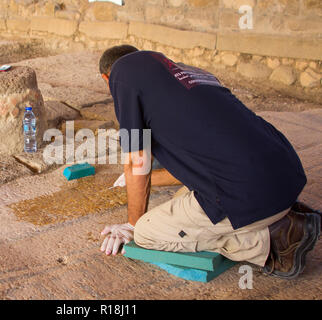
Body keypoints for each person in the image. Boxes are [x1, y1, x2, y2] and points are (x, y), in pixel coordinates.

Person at [98, 45, 320, 279]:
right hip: (286, 176)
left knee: (147, 232)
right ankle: (281, 216)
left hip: (251, 194)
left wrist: (133, 224)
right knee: (180, 198)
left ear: (106, 78)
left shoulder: (122, 73)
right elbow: (201, 161)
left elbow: (137, 161)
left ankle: (272, 239)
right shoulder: (191, 73)